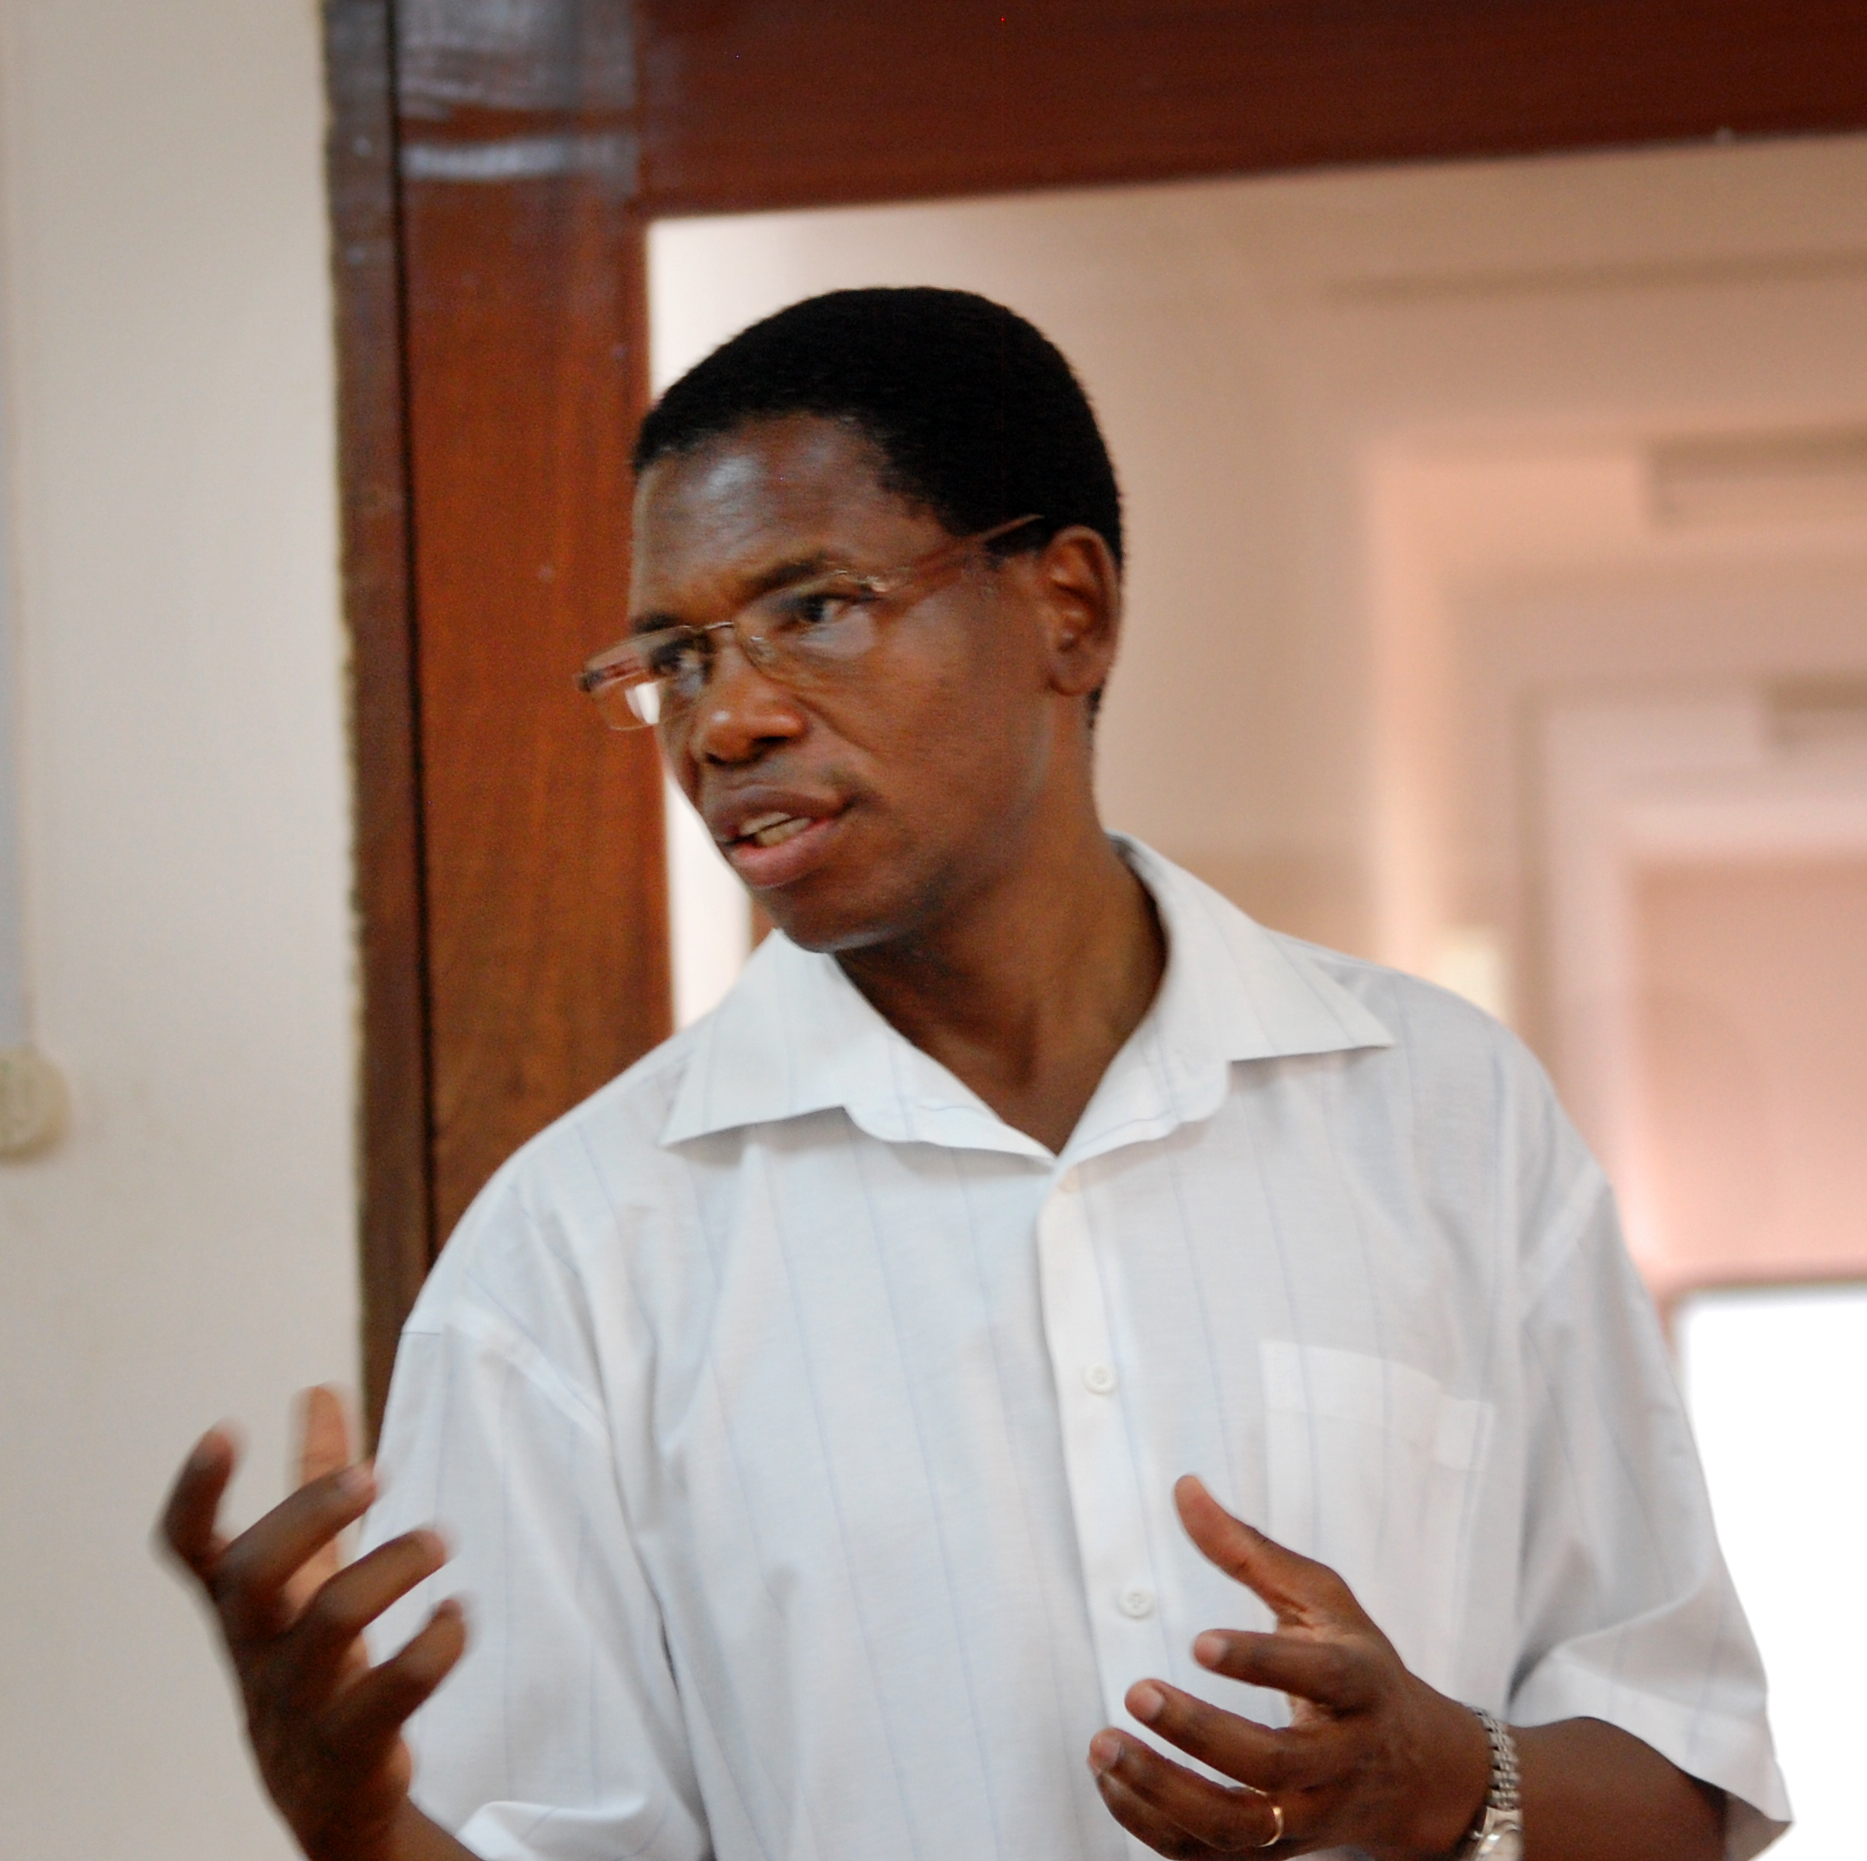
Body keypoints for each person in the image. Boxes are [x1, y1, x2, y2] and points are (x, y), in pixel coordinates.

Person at [162, 288, 1788, 1861]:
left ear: (1066, 609)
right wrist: (360, 1827)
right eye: (674, 657)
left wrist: (1435, 1778)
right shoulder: (573, 1259)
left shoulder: (1444, 1113)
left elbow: (1681, 1790)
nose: (723, 724)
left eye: (809, 609)